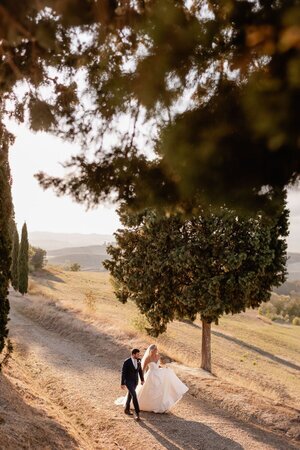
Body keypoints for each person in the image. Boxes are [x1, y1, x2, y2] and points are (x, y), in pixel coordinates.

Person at [136, 344, 188, 413]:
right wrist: (142, 379)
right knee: (150, 391)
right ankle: (148, 405)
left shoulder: (158, 356)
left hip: (158, 374)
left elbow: (158, 365)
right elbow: (143, 369)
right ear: (151, 350)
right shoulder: (148, 358)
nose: (155, 351)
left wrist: (163, 368)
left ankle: (160, 406)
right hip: (151, 376)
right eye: (154, 350)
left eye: (156, 349)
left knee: (161, 388)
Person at [120, 348, 144, 421]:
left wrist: (142, 379)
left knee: (130, 395)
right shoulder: (127, 362)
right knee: (134, 395)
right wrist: (122, 383)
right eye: (137, 354)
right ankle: (137, 413)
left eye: (139, 354)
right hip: (128, 381)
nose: (139, 355)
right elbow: (123, 373)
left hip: (135, 381)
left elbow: (140, 370)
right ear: (133, 354)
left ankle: (127, 409)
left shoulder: (139, 360)